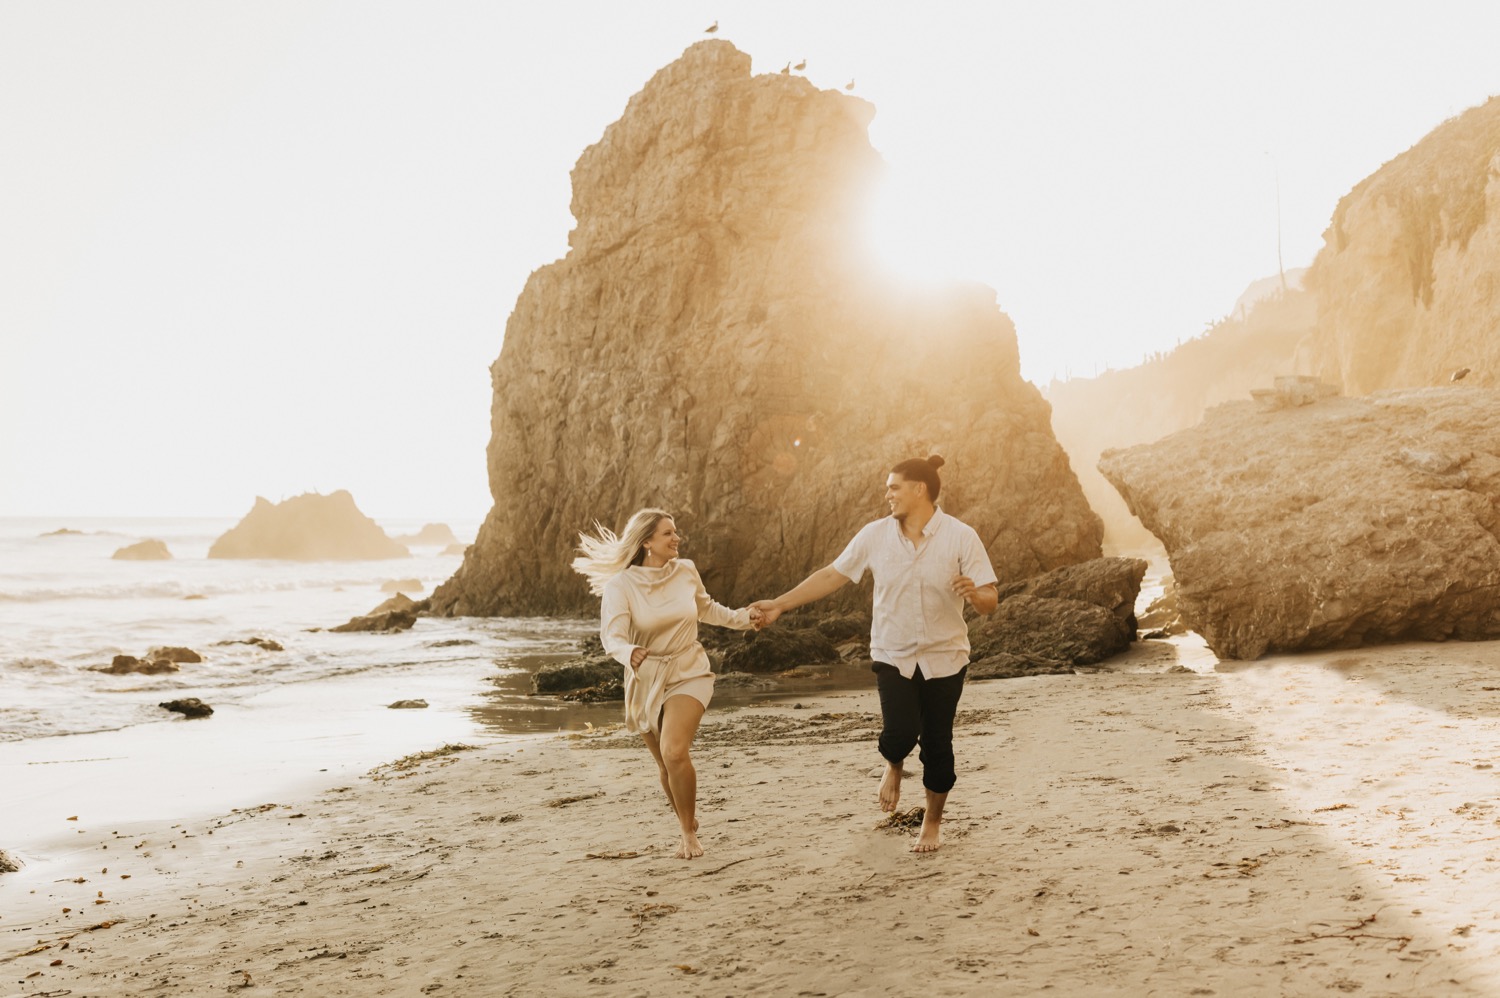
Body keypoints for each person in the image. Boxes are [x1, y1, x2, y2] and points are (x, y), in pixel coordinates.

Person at [751, 455, 998, 852]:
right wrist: (780, 604)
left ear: (920, 489)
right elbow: (832, 574)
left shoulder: (961, 536)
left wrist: (977, 594)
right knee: (900, 733)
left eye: (894, 487)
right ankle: (893, 765)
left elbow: (990, 598)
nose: (887, 494)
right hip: (892, 651)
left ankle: (931, 823)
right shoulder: (874, 535)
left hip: (946, 656)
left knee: (938, 745)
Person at [571, 508, 759, 859]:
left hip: (689, 668)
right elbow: (611, 636)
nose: (677, 539)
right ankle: (686, 818)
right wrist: (629, 652)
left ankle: (688, 834)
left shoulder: (685, 570)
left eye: (676, 532)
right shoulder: (621, 586)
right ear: (647, 543)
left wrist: (745, 619)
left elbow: (708, 609)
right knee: (664, 764)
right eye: (668, 534)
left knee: (675, 751)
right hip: (646, 678)